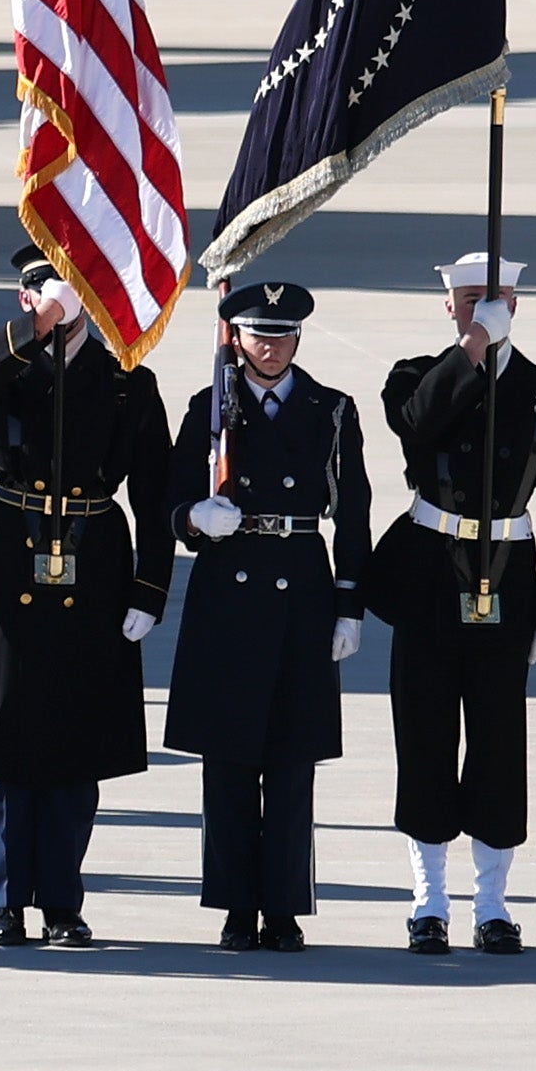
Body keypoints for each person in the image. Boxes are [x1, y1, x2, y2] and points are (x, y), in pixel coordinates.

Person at [0, 250, 174, 950]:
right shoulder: (3, 368)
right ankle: (4, 901)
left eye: (67, 290)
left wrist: (150, 586)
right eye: (36, 293)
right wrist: (33, 329)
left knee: (74, 743)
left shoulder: (125, 383)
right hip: (4, 553)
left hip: (91, 560)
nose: (49, 303)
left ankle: (61, 901)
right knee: (1, 739)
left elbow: (153, 494)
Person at [368, 253, 536, 954]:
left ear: (514, 307)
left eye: (489, 301)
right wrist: (471, 351)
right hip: (430, 578)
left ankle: (491, 904)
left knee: (498, 747)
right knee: (424, 740)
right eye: (465, 300)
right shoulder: (415, 376)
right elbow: (418, 423)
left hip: (507, 579)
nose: (477, 309)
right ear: (448, 307)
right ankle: (427, 901)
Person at [162, 281, 370, 951]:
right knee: (226, 763)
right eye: (258, 336)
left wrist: (348, 605)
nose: (270, 348)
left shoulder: (329, 409)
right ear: (236, 339)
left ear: (298, 340)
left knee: (289, 761)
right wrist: (194, 518)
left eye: (281, 336)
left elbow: (354, 515)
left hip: (300, 588)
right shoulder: (210, 406)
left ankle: (282, 906)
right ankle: (233, 906)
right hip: (228, 587)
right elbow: (169, 493)